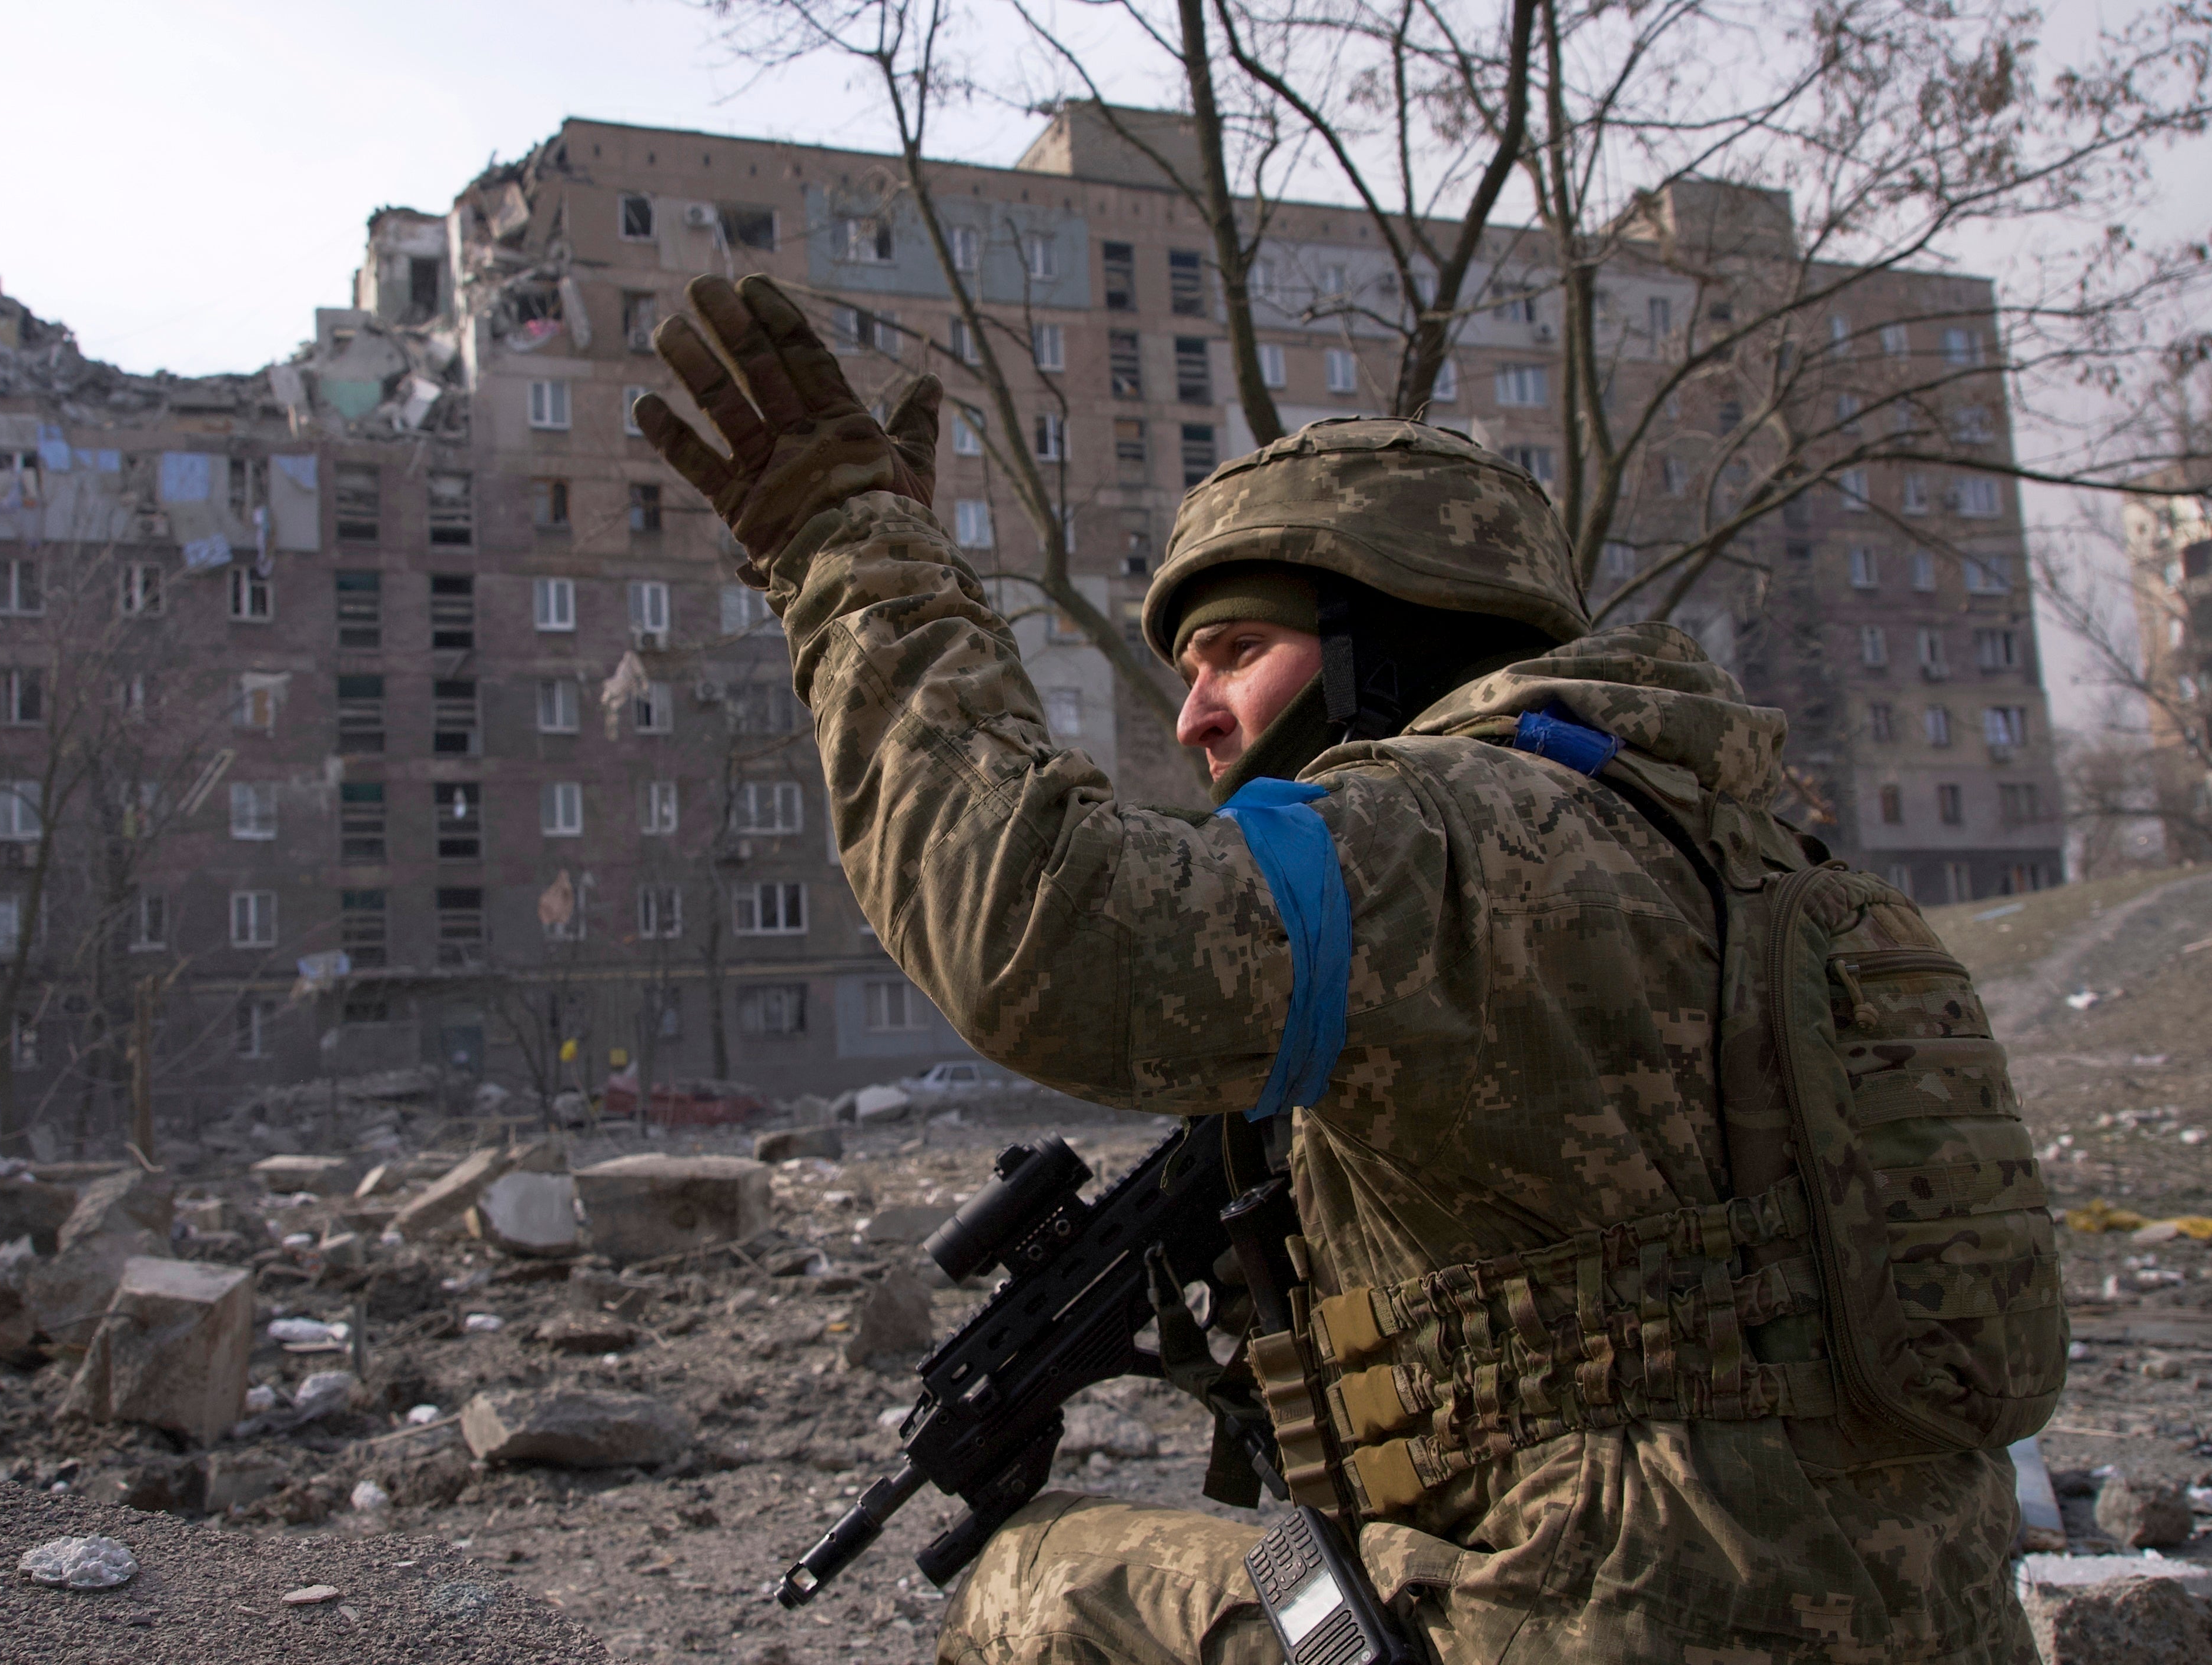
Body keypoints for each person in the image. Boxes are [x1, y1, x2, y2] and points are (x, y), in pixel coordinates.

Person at [634, 274, 2039, 1665]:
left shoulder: (1445, 831)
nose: (1193, 716)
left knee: (1030, 1586)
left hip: (1602, 1619)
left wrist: (852, 555)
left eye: (1233, 652)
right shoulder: (1763, 863)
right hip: (1913, 1616)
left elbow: (1040, 934)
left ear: (1392, 640)